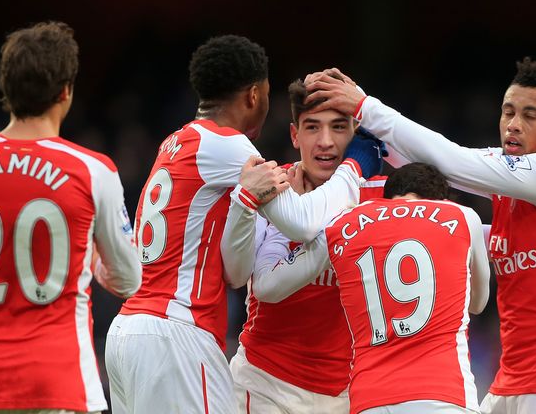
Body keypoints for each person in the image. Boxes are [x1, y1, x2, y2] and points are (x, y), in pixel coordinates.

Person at [305, 58, 536, 413]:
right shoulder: (510, 187)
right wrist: (368, 140)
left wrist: (365, 106)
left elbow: (453, 163)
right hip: (512, 380)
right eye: (508, 112)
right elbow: (437, 167)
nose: (513, 125)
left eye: (530, 116)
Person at [104, 35, 383, 414]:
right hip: (179, 331)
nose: (325, 142)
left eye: (338, 128)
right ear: (255, 95)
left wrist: (242, 205)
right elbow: (302, 224)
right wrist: (354, 169)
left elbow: (236, 274)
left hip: (133, 329)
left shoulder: (176, 141)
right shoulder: (229, 146)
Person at [0, 21, 142, 414]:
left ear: (5, 91)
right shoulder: (93, 170)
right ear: (65, 91)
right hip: (60, 382)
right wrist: (89, 259)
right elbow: (129, 279)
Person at [253, 162, 490, 414]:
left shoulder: (341, 224)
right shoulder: (461, 215)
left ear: (387, 196)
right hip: (444, 394)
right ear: (438, 199)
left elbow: (267, 287)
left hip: (370, 398)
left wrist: (284, 226)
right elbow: (478, 304)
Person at [227, 77, 388, 413]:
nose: (325, 142)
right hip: (263, 385)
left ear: (357, 132)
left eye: (339, 127)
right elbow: (238, 276)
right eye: (312, 127)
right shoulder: (272, 187)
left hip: (346, 394)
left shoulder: (381, 197)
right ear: (294, 135)